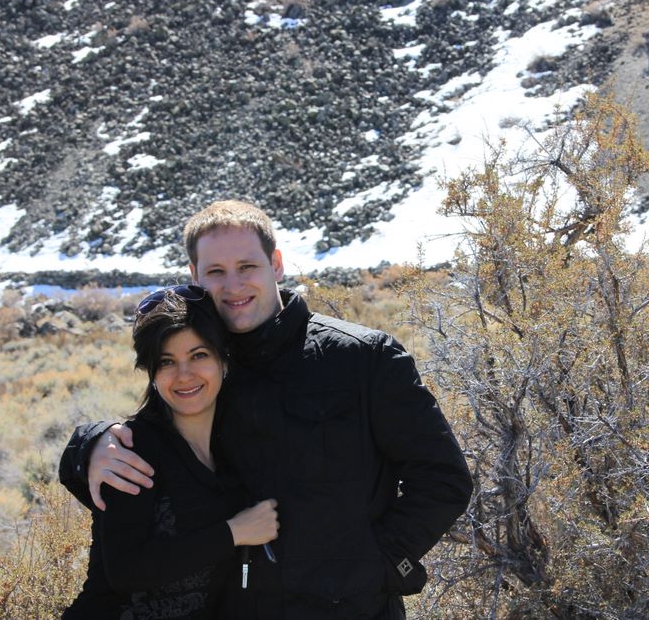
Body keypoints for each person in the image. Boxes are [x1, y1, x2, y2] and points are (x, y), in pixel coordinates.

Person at [61, 200, 472, 619]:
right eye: (216, 272)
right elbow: (155, 441)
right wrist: (89, 445)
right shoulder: (204, 365)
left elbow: (443, 479)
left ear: (275, 264)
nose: (233, 285)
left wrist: (379, 566)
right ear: (195, 276)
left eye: (247, 266)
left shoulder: (363, 358)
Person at [63, 285, 279, 619]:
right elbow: (126, 569)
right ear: (151, 373)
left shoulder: (235, 448)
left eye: (199, 355)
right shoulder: (132, 450)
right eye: (167, 362)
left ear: (223, 358)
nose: (184, 375)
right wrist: (234, 532)